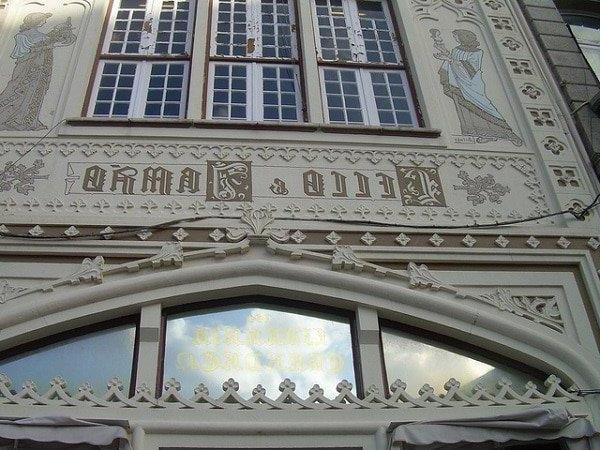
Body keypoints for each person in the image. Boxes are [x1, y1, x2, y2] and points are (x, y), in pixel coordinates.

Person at [432, 28, 523, 146]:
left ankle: (509, 133)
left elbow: (471, 68)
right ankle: (485, 134)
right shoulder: (456, 50)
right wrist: (441, 48)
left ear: (464, 38)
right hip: (458, 83)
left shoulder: (477, 52)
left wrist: (449, 59)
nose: (456, 39)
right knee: (465, 107)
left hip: (472, 84)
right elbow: (452, 58)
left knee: (484, 106)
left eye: (456, 37)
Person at [0, 12, 76, 131]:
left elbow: (57, 40)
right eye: (43, 19)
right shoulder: (22, 36)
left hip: (40, 71)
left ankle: (29, 120)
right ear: (35, 21)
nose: (44, 21)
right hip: (28, 71)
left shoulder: (41, 35)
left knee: (37, 93)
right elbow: (22, 54)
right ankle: (15, 119)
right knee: (23, 92)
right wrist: (46, 46)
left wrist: (60, 31)